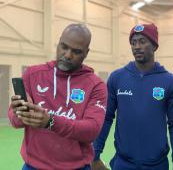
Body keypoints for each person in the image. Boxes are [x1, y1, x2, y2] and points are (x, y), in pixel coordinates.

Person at [8, 24, 108, 170]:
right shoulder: (32, 74)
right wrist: (20, 113)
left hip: (77, 167)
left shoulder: (96, 85)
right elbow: (15, 121)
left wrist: (51, 122)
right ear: (59, 42)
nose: (67, 54)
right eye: (64, 46)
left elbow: (91, 130)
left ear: (86, 53)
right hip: (33, 166)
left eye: (76, 51)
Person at [92, 23, 173, 170]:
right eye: (133, 43)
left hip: (157, 165)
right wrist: (95, 155)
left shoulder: (170, 81)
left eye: (142, 41)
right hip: (122, 163)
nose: (137, 46)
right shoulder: (117, 78)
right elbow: (106, 118)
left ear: (154, 46)